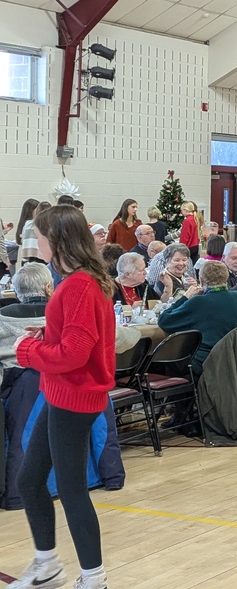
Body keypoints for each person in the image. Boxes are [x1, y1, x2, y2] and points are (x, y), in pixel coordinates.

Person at [9, 204, 115, 589]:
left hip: (74, 397)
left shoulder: (79, 285)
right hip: (63, 394)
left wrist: (27, 351)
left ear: (55, 239)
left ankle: (94, 578)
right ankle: (48, 564)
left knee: (71, 491)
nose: (34, 241)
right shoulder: (83, 280)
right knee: (30, 480)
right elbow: (73, 340)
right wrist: (46, 337)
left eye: (38, 235)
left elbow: (74, 353)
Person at [157, 260, 237, 377]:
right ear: (226, 277)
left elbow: (164, 320)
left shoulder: (198, 301)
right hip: (231, 358)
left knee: (161, 364)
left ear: (201, 279)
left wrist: (185, 297)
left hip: (204, 361)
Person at [0, 263, 52, 371]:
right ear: (49, 288)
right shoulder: (65, 317)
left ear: (17, 293)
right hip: (53, 379)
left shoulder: (2, 317)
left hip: (8, 380)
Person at [20, 201, 51, 265]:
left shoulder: (28, 223)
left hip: (28, 256)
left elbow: (23, 239)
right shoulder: (50, 225)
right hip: (42, 257)